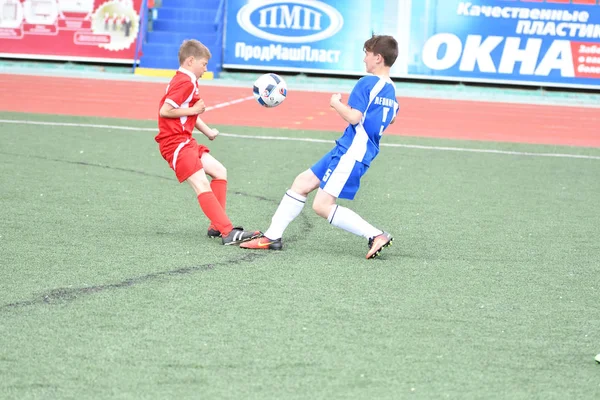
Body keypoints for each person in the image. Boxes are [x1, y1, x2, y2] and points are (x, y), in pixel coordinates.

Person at [241, 35, 399, 259]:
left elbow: (354, 118)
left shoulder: (367, 82)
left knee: (322, 206)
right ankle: (272, 236)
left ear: (378, 57)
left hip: (351, 152)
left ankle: (375, 235)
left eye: (367, 53)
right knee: (302, 182)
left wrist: (336, 104)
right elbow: (391, 118)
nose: (364, 59)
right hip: (350, 149)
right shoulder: (391, 90)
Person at [156, 39, 259, 245]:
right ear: (190, 61)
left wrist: (207, 131)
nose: (205, 69)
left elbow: (188, 114)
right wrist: (194, 111)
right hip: (175, 143)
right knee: (201, 183)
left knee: (220, 171)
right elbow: (165, 111)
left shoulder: (189, 80)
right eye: (203, 64)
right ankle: (227, 232)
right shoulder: (184, 81)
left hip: (186, 140)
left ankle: (216, 225)